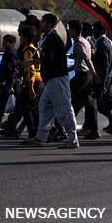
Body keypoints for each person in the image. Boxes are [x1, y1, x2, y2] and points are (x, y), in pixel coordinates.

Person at [20, 13, 79, 149]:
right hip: (51, 80)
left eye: (43, 21)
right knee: (44, 106)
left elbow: (48, 58)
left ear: (49, 24)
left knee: (64, 108)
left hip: (57, 79)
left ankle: (72, 139)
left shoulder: (51, 38)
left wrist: (28, 64)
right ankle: (41, 137)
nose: (40, 23)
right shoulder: (48, 37)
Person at [68, 20, 101, 140]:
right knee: (88, 102)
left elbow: (87, 59)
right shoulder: (86, 42)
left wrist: (95, 74)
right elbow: (81, 61)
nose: (70, 33)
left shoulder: (78, 43)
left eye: (70, 30)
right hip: (86, 75)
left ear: (74, 30)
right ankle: (94, 129)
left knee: (71, 100)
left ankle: (65, 128)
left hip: (82, 76)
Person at [13, 26, 43, 138]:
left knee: (28, 110)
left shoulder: (28, 51)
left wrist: (30, 87)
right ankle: (42, 131)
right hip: (37, 80)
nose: (20, 39)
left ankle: (33, 133)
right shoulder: (33, 48)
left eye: (21, 36)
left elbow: (31, 70)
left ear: (25, 38)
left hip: (34, 81)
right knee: (33, 108)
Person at [92, 21, 112, 131]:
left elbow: (105, 64)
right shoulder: (104, 42)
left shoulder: (102, 43)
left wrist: (103, 83)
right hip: (106, 78)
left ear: (102, 31)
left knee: (104, 103)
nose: (93, 32)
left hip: (104, 79)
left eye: (95, 30)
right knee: (106, 103)